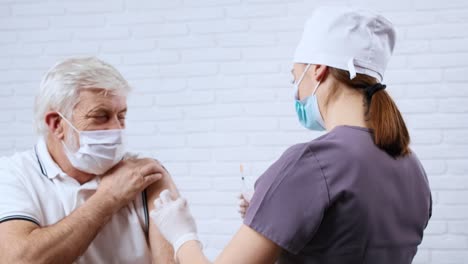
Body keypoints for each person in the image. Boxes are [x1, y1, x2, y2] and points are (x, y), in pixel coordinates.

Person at [150, 5, 432, 264]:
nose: (296, 89)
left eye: (294, 76)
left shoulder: (313, 161)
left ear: (318, 69)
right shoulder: (412, 167)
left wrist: (182, 235)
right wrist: (276, 215)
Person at [0, 57, 179, 264]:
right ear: (57, 124)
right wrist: (108, 198)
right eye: (101, 116)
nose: (116, 128)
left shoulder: (145, 176)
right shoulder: (13, 174)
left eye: (121, 116)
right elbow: (18, 260)